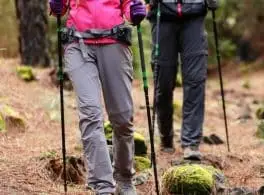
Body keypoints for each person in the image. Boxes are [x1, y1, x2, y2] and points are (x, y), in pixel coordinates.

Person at [49, 0, 146, 194]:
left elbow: (128, 5)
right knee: (91, 114)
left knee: (122, 117)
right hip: (78, 43)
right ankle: (103, 185)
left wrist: (134, 10)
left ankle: (124, 179)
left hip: (114, 42)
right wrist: (56, 5)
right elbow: (60, 6)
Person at [146, 0, 218, 160]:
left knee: (195, 81)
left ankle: (191, 143)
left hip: (194, 15)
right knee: (163, 84)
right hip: (162, 15)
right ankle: (166, 138)